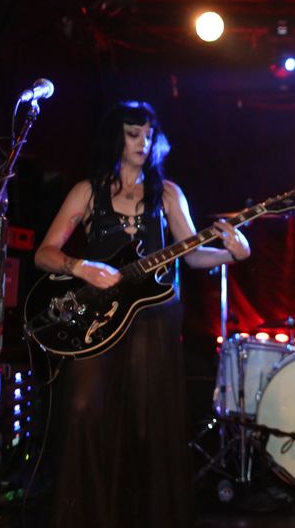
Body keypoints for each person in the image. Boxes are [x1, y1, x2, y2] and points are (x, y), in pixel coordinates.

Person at [34, 100, 250, 528]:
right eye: (134, 134)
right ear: (114, 137)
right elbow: (44, 253)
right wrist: (80, 266)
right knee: (84, 409)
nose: (143, 143)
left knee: (147, 422)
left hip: (153, 320)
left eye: (149, 135)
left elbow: (192, 255)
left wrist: (233, 253)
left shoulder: (167, 193)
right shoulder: (87, 191)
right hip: (96, 319)